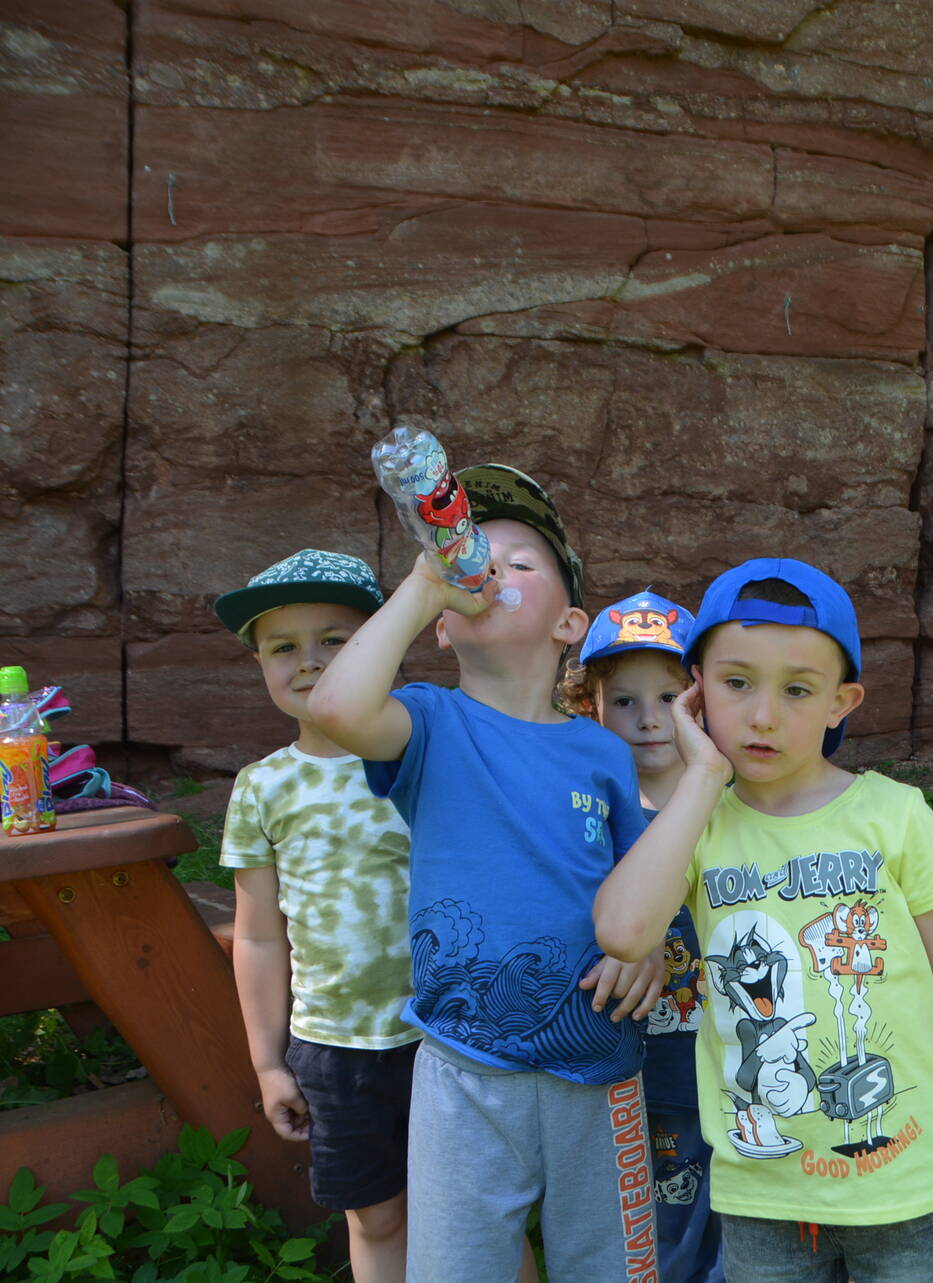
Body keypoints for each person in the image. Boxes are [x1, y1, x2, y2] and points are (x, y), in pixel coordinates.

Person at [594, 557, 933, 1283]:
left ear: (840, 702)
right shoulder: (698, 824)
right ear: (696, 691)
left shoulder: (895, 817)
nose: (763, 715)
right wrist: (702, 775)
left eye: (796, 689)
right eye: (736, 683)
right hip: (761, 1196)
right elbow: (623, 932)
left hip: (907, 1188)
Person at [309, 465, 659, 1281]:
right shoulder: (429, 721)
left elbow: (646, 870)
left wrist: (650, 948)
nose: (489, 568)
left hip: (597, 1056)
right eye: (476, 555)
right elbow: (333, 708)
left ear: (570, 623)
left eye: (520, 562)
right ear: (441, 627)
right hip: (462, 1067)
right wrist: (424, 584)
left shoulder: (603, 752)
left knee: (610, 1267)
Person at [215, 550, 417, 1282]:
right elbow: (258, 935)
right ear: (260, 664)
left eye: (335, 639)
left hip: (448, 1034)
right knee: (377, 1218)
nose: (309, 660)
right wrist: (268, 1062)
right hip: (335, 1048)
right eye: (283, 647)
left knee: (476, 1208)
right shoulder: (262, 787)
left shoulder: (424, 757)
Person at [570, 588, 725, 1281]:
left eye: (668, 697)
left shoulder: (731, 800)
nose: (649, 719)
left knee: (739, 1209)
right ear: (590, 706)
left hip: (730, 1051)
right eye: (625, 700)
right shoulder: (586, 807)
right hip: (635, 1055)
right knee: (663, 1212)